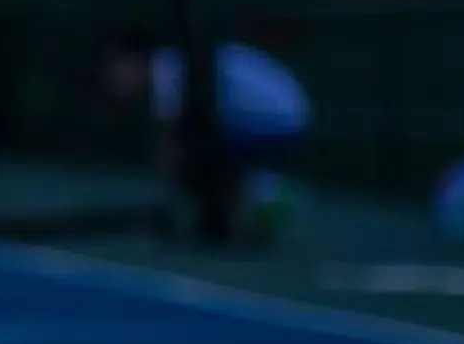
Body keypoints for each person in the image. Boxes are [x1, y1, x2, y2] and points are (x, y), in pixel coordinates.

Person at [105, 31, 312, 242]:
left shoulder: (166, 71)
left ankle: (254, 204)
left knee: (198, 153)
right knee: (201, 149)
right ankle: (257, 197)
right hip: (290, 119)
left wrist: (174, 201)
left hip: (277, 123)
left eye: (116, 67)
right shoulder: (178, 64)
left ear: (134, 60)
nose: (113, 78)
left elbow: (170, 147)